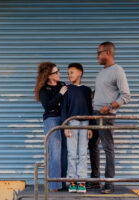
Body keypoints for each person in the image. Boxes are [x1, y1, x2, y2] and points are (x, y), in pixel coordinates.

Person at [87, 41, 131, 194]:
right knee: (92, 146)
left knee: (107, 148)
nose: (97, 56)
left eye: (99, 52)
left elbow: (126, 96)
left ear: (108, 53)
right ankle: (95, 180)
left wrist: (110, 106)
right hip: (94, 114)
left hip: (105, 115)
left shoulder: (117, 71)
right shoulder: (101, 72)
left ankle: (109, 183)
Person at [34, 62, 68, 192]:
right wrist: (60, 94)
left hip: (64, 119)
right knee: (55, 151)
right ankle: (54, 185)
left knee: (65, 151)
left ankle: (63, 182)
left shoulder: (62, 85)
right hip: (51, 119)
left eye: (58, 71)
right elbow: (48, 106)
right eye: (56, 72)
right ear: (48, 75)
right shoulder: (44, 89)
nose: (59, 73)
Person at [61, 63, 93, 193]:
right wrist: (65, 125)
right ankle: (72, 180)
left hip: (85, 123)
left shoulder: (86, 90)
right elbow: (63, 108)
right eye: (68, 73)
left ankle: (82, 181)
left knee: (83, 153)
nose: (69, 75)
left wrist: (91, 127)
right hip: (72, 122)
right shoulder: (67, 89)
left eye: (72, 72)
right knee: (72, 153)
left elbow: (90, 108)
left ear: (80, 73)